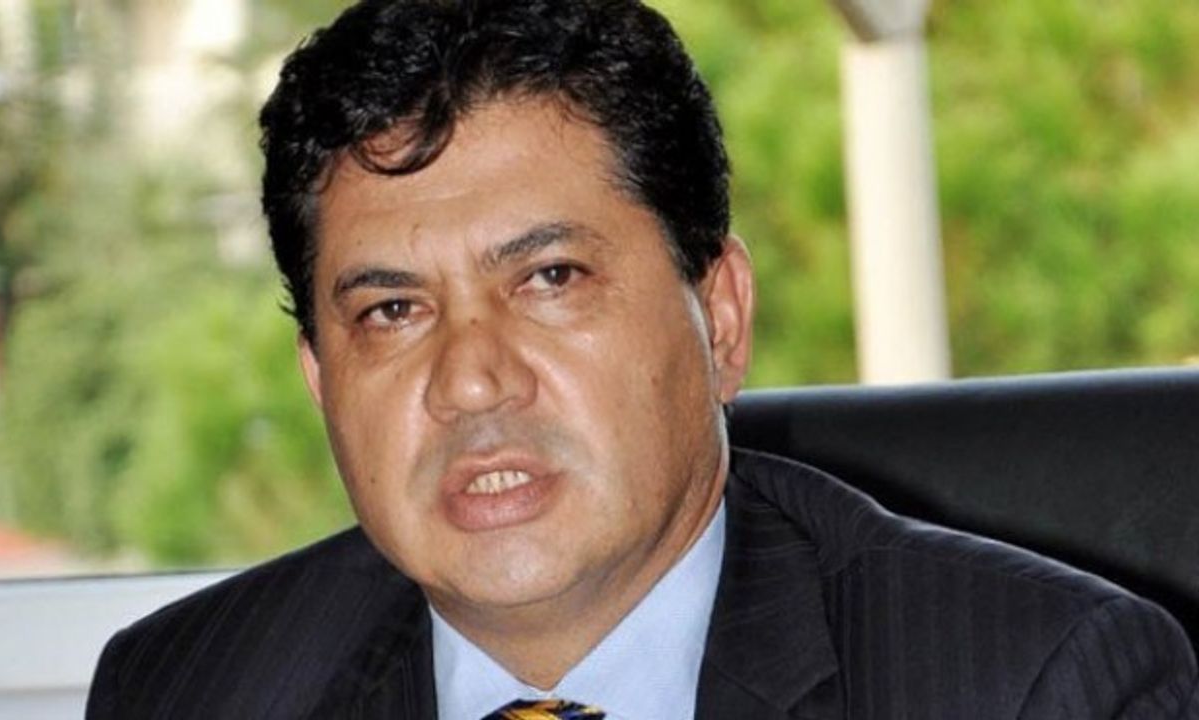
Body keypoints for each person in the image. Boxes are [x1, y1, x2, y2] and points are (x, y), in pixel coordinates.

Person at [86, 0, 1199, 717]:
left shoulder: (1034, 686)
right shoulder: (188, 691)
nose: (470, 380)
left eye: (549, 278)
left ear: (720, 319)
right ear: (320, 382)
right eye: (391, 310)